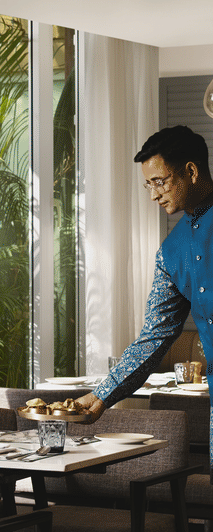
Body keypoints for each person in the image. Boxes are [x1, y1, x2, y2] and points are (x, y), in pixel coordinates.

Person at [78, 125, 213, 475]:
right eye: (148, 184)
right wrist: (101, 395)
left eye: (159, 181)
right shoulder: (170, 252)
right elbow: (154, 336)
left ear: (191, 171)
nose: (153, 194)